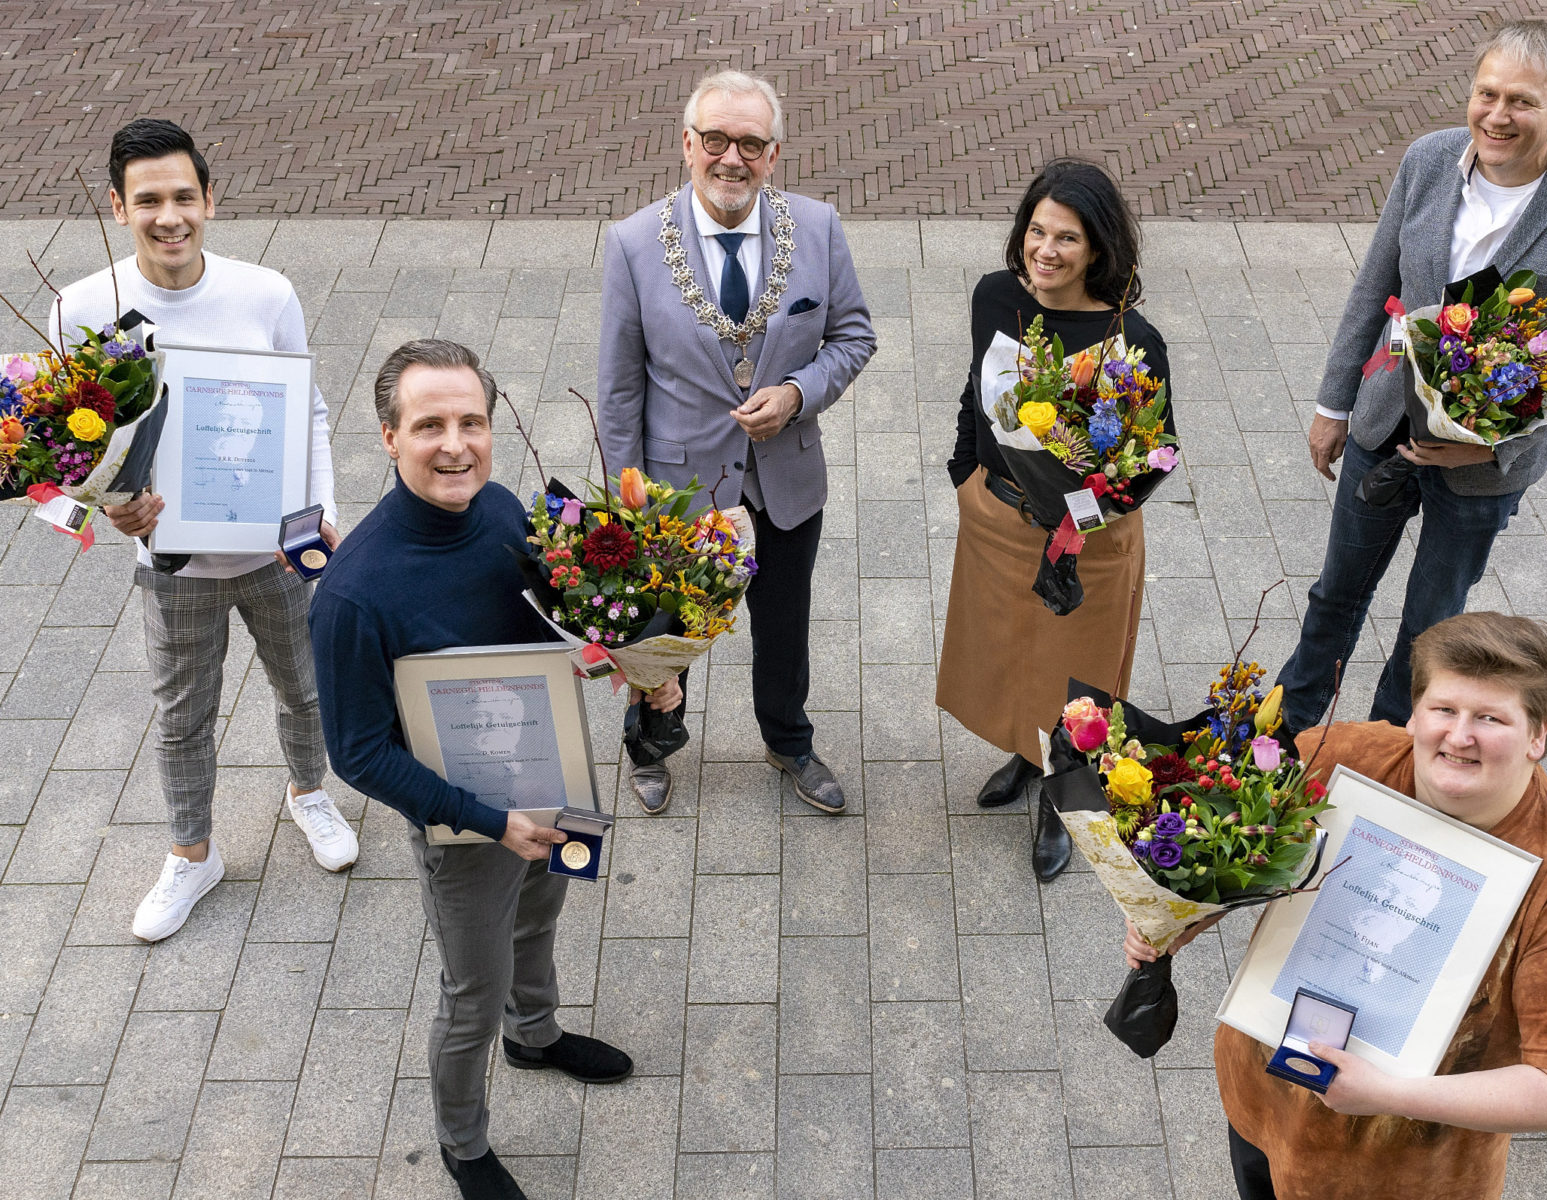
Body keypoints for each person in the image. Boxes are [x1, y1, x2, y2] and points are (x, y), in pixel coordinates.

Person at [311, 339, 674, 1200]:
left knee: (542, 917)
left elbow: (553, 625)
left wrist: (629, 663)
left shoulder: (508, 508)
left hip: (553, 774)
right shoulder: (354, 593)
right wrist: (489, 822)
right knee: (471, 992)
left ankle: (536, 1034)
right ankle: (463, 1144)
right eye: (429, 424)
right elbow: (357, 753)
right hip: (465, 822)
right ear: (388, 438)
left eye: (470, 421)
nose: (454, 444)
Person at [1127, 612, 1547, 1200]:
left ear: (1539, 735)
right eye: (1444, 709)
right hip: (1262, 1098)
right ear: (1415, 712)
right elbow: (1241, 855)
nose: (1460, 736)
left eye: (1490, 718)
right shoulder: (1345, 758)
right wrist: (1185, 912)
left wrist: (1388, 1095)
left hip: (1403, 1171)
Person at [1276, 20, 1547, 732]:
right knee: (1334, 598)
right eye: (1487, 94)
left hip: (1480, 470)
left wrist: (1494, 446)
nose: (1498, 116)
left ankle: (1381, 750)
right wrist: (1333, 403)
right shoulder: (1429, 159)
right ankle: (1284, 732)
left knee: (1430, 626)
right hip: (1384, 424)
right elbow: (1374, 283)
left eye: (1522, 102)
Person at [50, 117, 353, 943]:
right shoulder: (83, 308)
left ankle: (308, 794)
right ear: (118, 206)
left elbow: (310, 408)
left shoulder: (266, 292)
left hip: (277, 547)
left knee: (305, 689)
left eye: (184, 195)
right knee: (182, 714)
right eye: (148, 199)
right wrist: (106, 511)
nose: (169, 215)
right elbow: (57, 464)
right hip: (171, 561)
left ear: (210, 200)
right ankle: (193, 853)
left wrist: (324, 511)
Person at [599, 69, 875, 816]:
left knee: (784, 626)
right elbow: (620, 389)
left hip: (785, 481)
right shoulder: (631, 245)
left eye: (750, 143)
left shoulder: (816, 229)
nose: (731, 158)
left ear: (773, 155)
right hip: (680, 487)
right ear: (687, 145)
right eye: (715, 139)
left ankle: (787, 741)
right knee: (663, 630)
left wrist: (797, 393)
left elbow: (853, 335)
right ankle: (650, 741)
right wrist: (628, 506)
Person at [935, 158, 1171, 881]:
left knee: (1079, 681)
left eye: (1066, 238)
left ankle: (1062, 801)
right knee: (1009, 657)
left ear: (1096, 247)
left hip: (1087, 545)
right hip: (999, 523)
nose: (1045, 250)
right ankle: (1024, 754)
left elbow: (1154, 459)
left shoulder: (1135, 341)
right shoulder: (994, 297)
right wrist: (965, 473)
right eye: (1036, 231)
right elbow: (977, 387)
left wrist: (1075, 528)